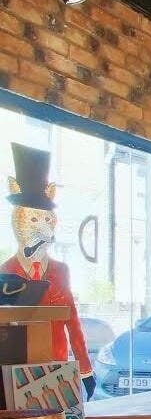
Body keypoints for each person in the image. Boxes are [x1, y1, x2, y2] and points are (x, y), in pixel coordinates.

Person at [4, 145, 93, 396]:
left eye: (46, 219)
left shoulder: (60, 271)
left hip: (57, 372)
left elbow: (72, 321)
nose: (42, 228)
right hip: (17, 376)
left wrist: (85, 369)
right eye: (33, 219)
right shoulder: (5, 272)